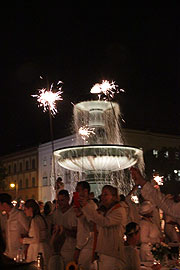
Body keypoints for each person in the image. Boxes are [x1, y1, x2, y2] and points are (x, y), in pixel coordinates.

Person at [79, 184, 127, 270]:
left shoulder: (119, 211)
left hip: (112, 253)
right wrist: (81, 214)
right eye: (102, 194)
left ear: (114, 196)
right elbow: (94, 225)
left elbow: (104, 222)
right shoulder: (105, 211)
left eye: (106, 194)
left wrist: (87, 207)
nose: (103, 197)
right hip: (103, 252)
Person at [20, 199, 51, 270]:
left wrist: (24, 240)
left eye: (25, 209)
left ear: (30, 209)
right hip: (43, 248)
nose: (24, 212)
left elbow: (37, 239)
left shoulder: (35, 220)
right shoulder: (41, 218)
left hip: (36, 250)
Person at [73, 181, 98, 270]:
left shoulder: (91, 206)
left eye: (78, 190)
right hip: (83, 245)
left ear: (85, 191)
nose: (76, 193)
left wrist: (78, 248)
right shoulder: (81, 206)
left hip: (87, 246)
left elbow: (91, 227)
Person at [0, 193, 29, 259]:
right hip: (8, 253)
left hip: (19, 253)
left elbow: (29, 230)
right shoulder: (3, 217)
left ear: (4, 204)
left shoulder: (19, 214)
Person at [52, 189, 77, 268]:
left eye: (62, 200)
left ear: (68, 199)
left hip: (70, 250)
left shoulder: (73, 213)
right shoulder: (56, 213)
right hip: (57, 250)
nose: (60, 203)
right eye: (58, 200)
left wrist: (63, 230)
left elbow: (76, 234)